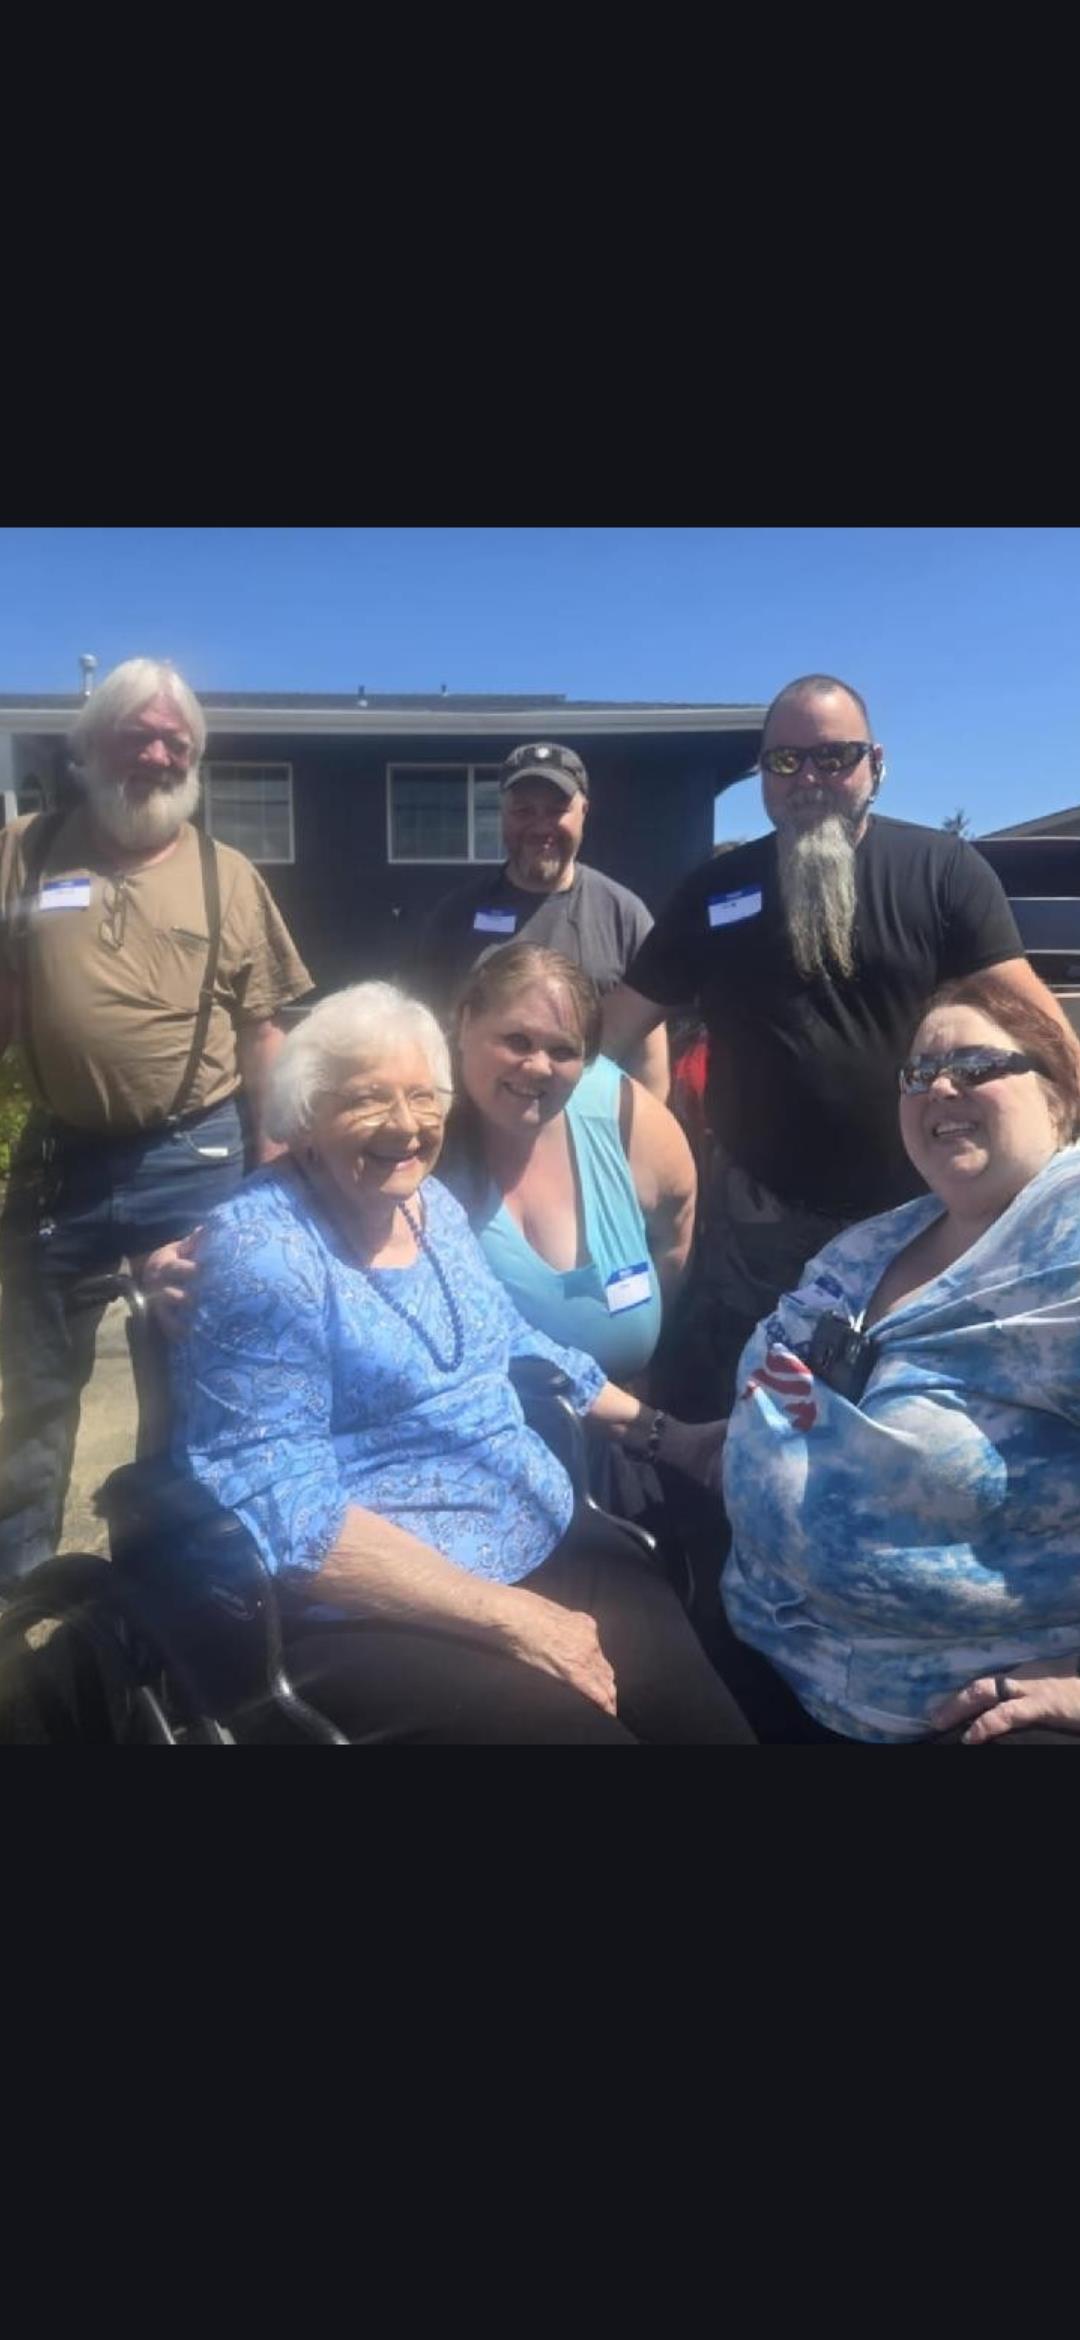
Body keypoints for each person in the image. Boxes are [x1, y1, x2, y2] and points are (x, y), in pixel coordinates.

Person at [169, 982, 751, 1744]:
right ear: (305, 1117)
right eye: (368, 1100)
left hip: (540, 1537)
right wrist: (515, 1621)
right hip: (383, 1607)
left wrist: (666, 1434)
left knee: (712, 1729)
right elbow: (284, 1507)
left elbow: (512, 1340)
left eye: (423, 1096)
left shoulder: (429, 1206)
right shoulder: (266, 1255)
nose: (405, 1126)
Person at [601, 672, 1073, 1418]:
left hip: (923, 1217)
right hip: (763, 1224)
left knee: (908, 1408)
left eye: (834, 757)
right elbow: (616, 1030)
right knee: (755, 1403)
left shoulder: (941, 872)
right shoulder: (716, 892)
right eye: (784, 762)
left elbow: (1036, 1025)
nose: (808, 779)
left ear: (875, 765)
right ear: (762, 774)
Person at [0, 657, 313, 1586]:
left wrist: (278, 1162)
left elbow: (265, 1032)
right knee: (32, 1396)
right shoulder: (26, 850)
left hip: (196, 1160)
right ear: (91, 746)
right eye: (139, 733)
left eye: (179, 741)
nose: (160, 753)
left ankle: (169, 1600)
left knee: (189, 1394)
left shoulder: (229, 875)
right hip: (60, 1162)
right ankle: (21, 1612)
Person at [715, 971, 1080, 1744]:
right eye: (917, 1074)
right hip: (769, 1646)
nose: (939, 1086)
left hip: (947, 1711)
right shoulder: (884, 1237)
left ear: (1058, 1093)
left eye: (975, 1066)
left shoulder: (1068, 1249)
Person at [411, 741, 669, 1095]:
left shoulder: (624, 915)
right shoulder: (455, 915)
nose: (540, 826)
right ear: (502, 815)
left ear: (584, 811)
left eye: (556, 810)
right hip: (479, 1130)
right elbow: (426, 1034)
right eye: (523, 811)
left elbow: (648, 1051)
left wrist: (639, 1139)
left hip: (589, 1130)